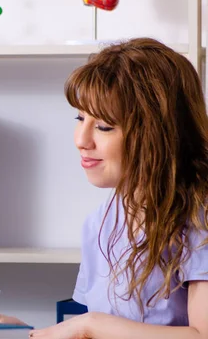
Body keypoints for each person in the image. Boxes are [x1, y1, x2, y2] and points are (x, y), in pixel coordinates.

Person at [28, 38, 208, 338]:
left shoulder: (198, 220)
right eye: (80, 118)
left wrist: (91, 324)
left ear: (157, 132)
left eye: (104, 126)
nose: (81, 140)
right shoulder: (100, 222)